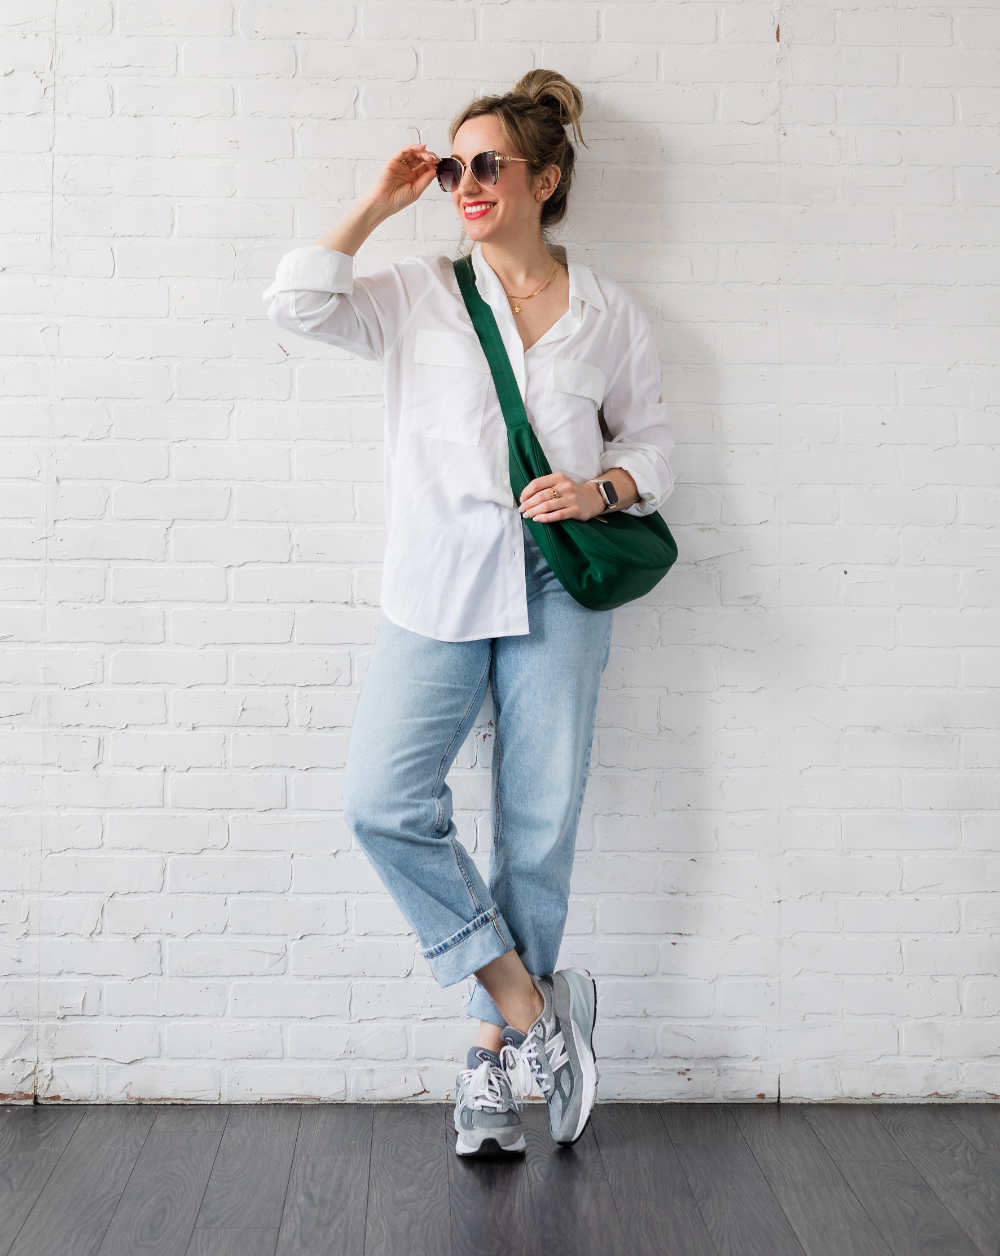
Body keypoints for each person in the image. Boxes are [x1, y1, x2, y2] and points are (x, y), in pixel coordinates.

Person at [262, 70, 676, 1156]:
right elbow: (298, 303)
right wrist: (378, 203)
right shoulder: (417, 291)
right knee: (382, 800)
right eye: (456, 166)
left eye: (489, 164)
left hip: (556, 583)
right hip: (439, 579)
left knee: (535, 828)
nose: (469, 182)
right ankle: (538, 1012)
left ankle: (493, 1062)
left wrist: (601, 490)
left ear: (545, 178)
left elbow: (656, 445)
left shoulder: (609, 310)